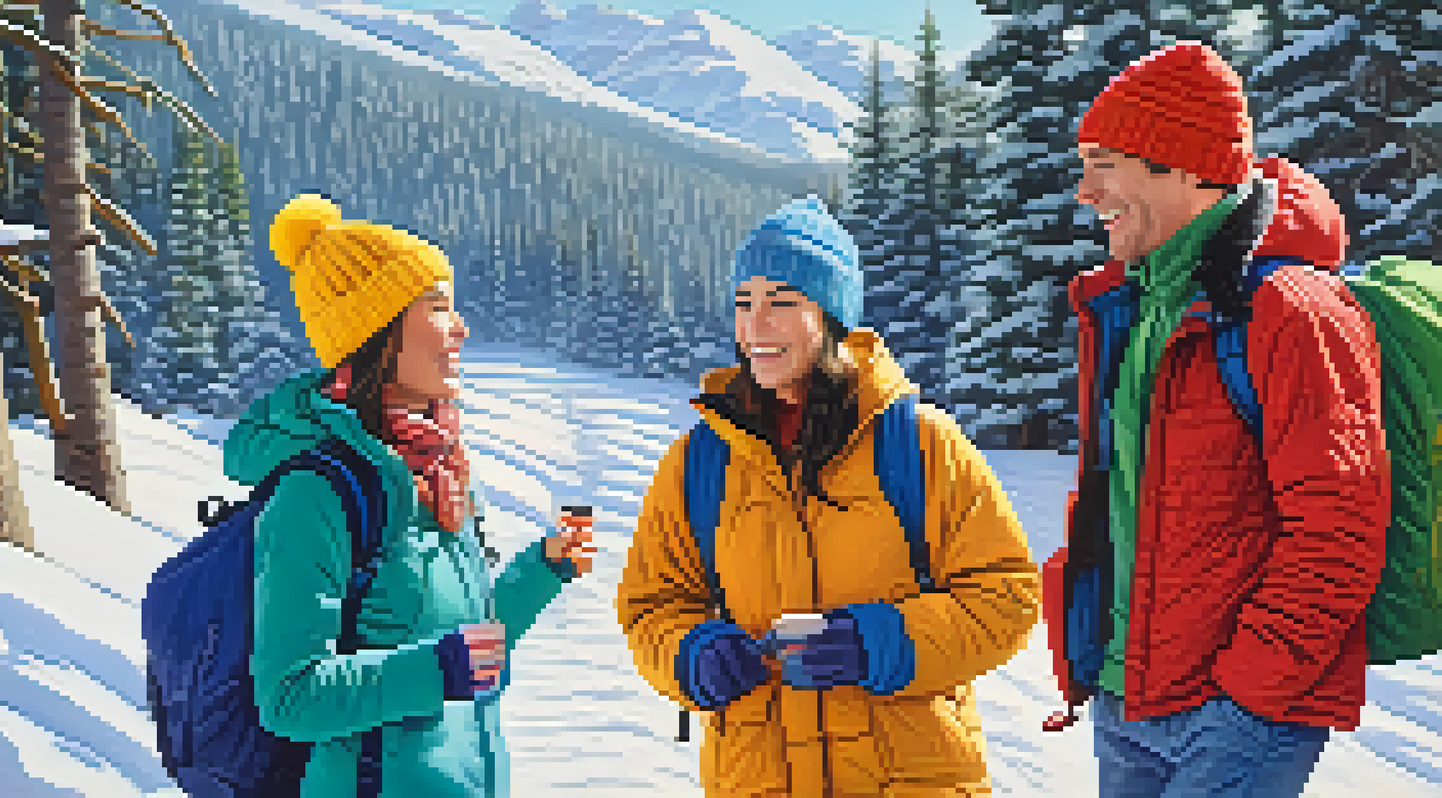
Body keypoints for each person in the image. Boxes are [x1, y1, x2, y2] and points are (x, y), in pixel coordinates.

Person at [1045, 41, 1391, 796]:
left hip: (1234, 716)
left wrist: (1250, 692)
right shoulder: (1129, 304)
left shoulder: (1293, 312)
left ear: (1178, 163)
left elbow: (1340, 526)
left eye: (1105, 163)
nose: (1085, 190)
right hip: (1126, 696)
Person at [617, 197, 1040, 796]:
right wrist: (692, 655)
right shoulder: (699, 462)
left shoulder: (917, 443)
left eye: (781, 305)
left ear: (831, 316)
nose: (754, 327)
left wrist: (881, 641)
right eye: (744, 305)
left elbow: (1007, 595)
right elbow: (650, 606)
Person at [225, 194, 596, 797]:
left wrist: (545, 569)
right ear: (379, 329)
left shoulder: (438, 472)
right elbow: (290, 697)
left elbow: (468, 638)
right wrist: (434, 670)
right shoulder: (316, 492)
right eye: (439, 306)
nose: (461, 328)